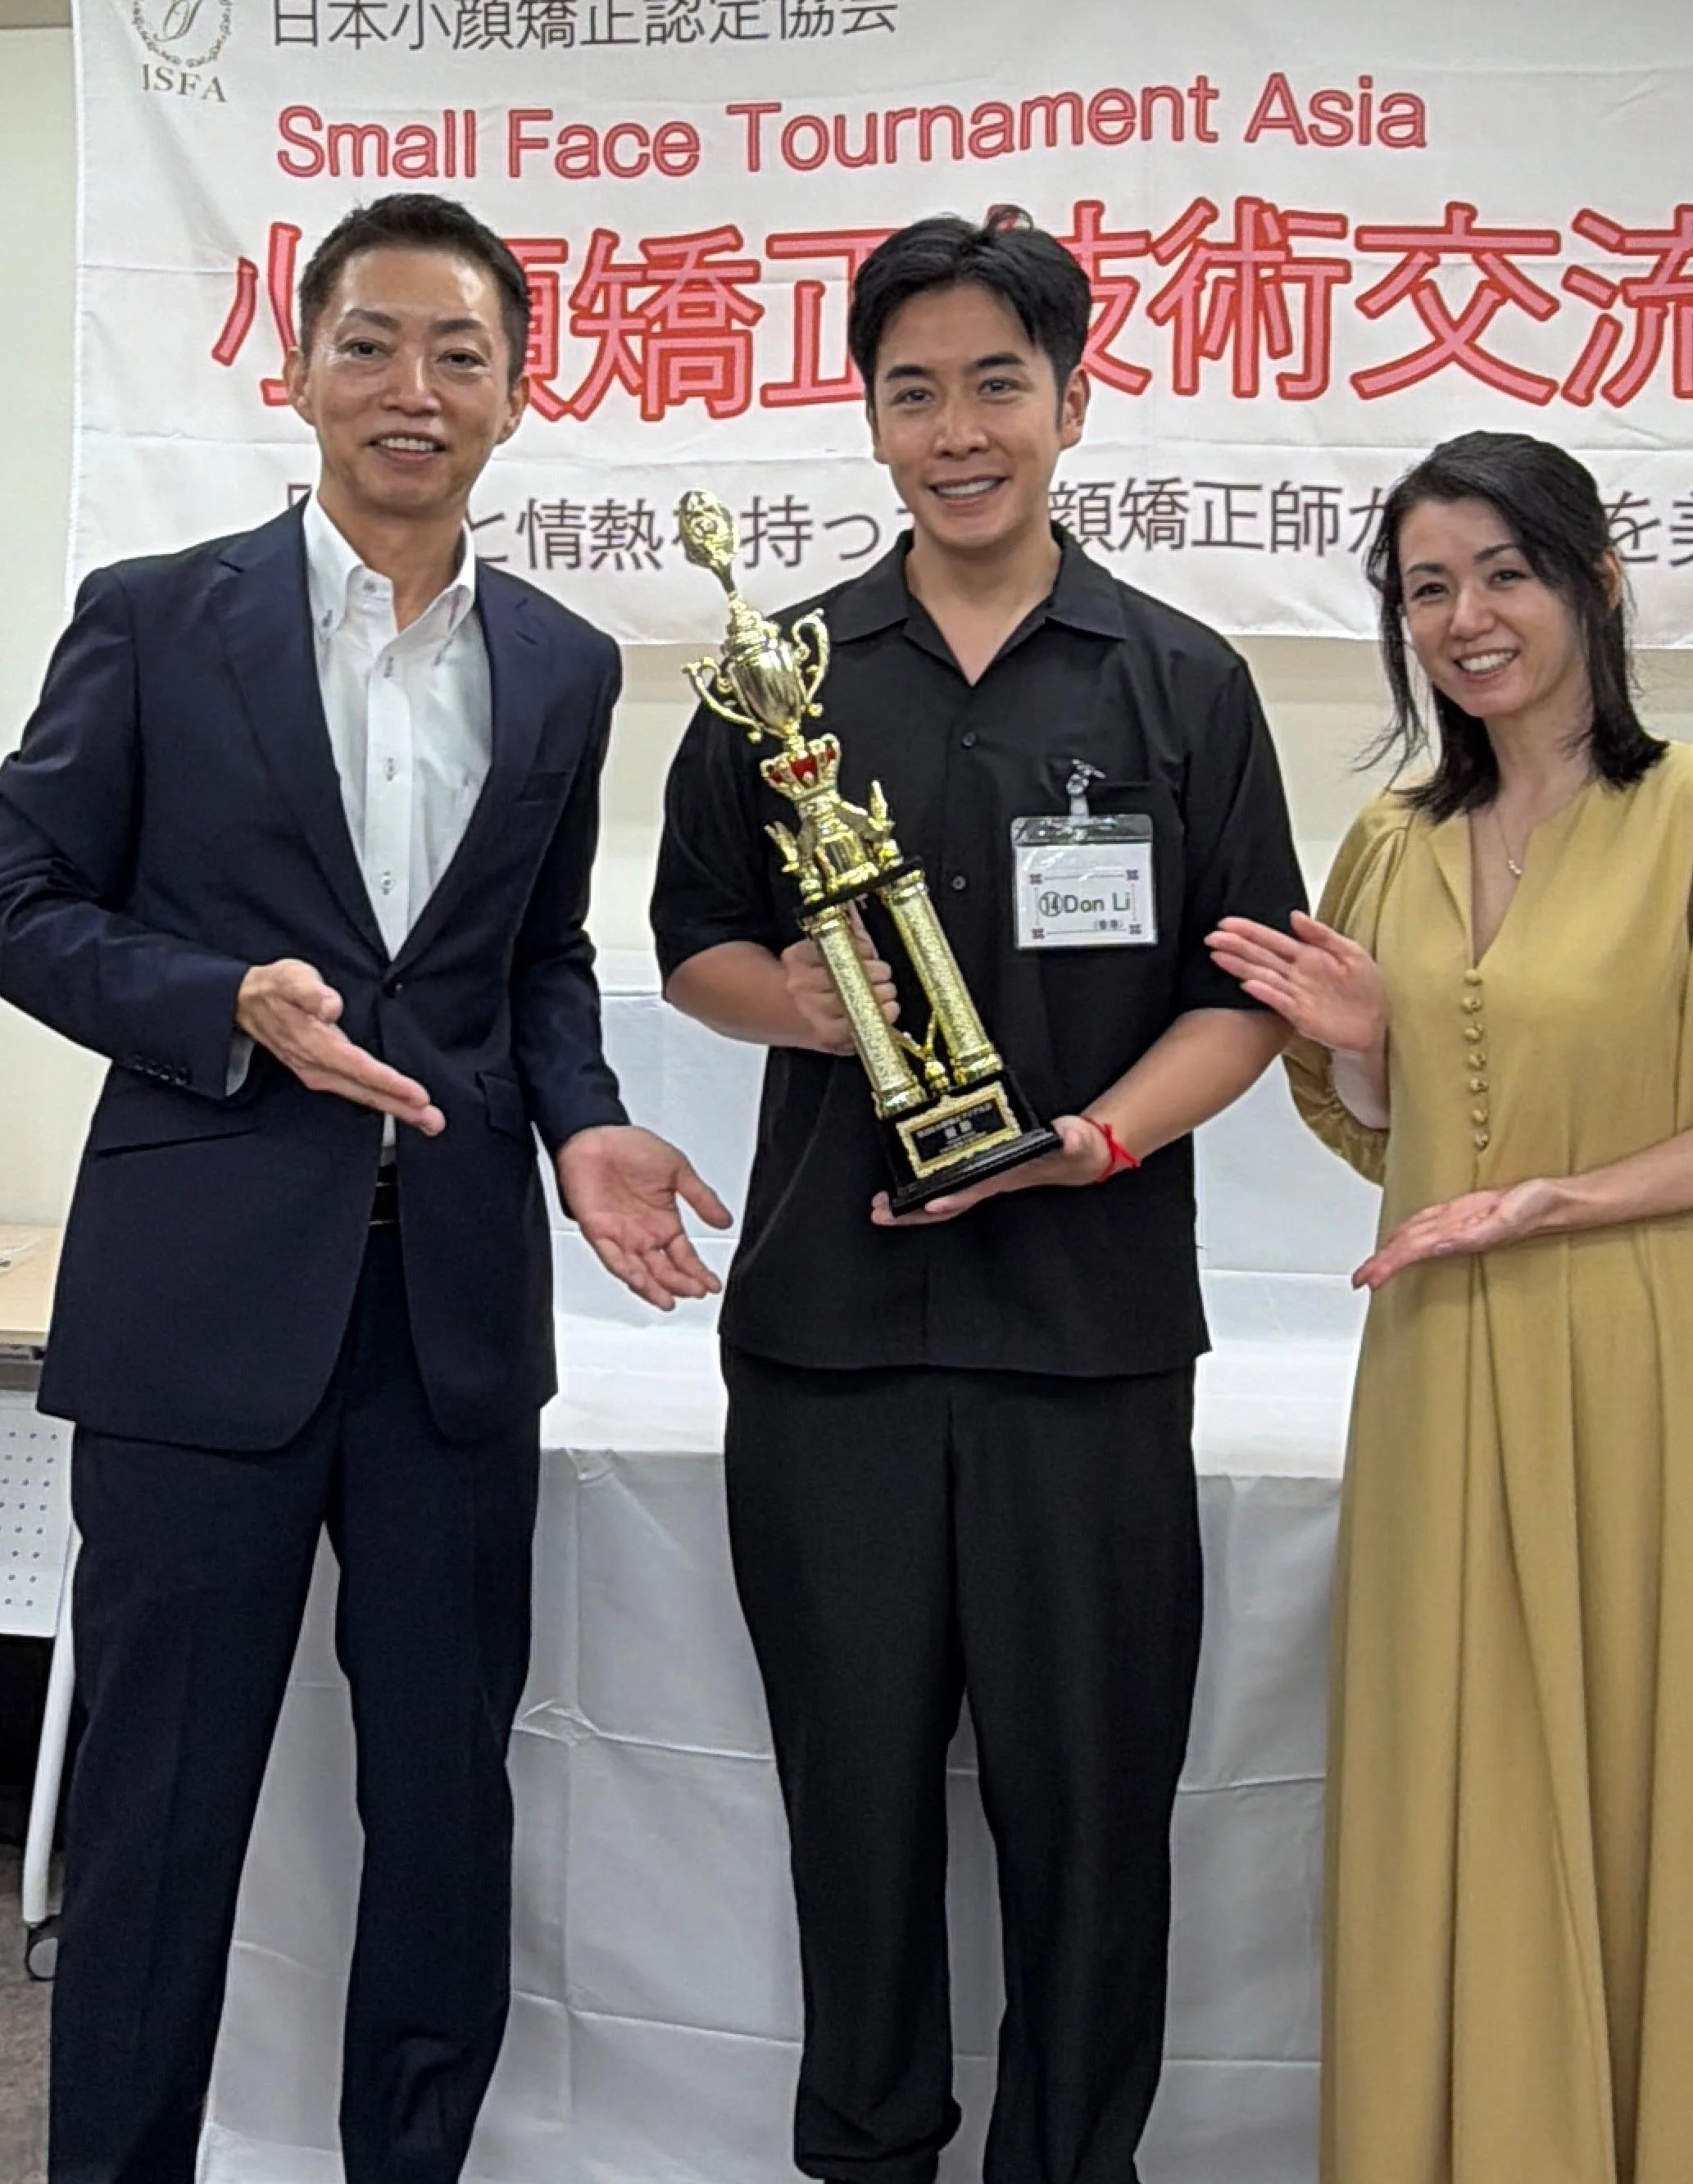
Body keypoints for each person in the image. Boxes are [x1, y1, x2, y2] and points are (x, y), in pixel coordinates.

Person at [0, 192, 729, 2184]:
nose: (416, 388)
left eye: (459, 353)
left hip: (451, 1327)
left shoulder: (564, 666)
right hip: (201, 1311)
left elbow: (538, 959)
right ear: (299, 367)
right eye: (374, 344)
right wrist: (217, 1001)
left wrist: (585, 1123)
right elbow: (23, 894)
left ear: (517, 393)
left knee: (442, 1812)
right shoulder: (158, 618)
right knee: (155, 1813)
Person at [650, 211, 1304, 2184]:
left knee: (1090, 1826)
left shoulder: (1181, 682)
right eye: (913, 391)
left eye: (996, 386)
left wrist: (1093, 1140)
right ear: (868, 418)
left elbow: (1240, 992)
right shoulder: (776, 683)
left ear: (1071, 404)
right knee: (850, 1812)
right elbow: (693, 946)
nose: (957, 432)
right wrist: (815, 1004)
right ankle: (867, 2158)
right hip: (828, 1345)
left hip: (1087, 1341)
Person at [1209, 428, 1693, 2184]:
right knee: (1446, 1760)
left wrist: (1569, 1196)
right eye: (1426, 589)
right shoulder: (1393, 840)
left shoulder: (1682, 814)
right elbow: (1382, 1130)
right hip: (1429, 1352)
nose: (1465, 618)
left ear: (1596, 582)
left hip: (1641, 1348)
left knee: (1641, 1767)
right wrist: (1366, 1048)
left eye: (1503, 573)